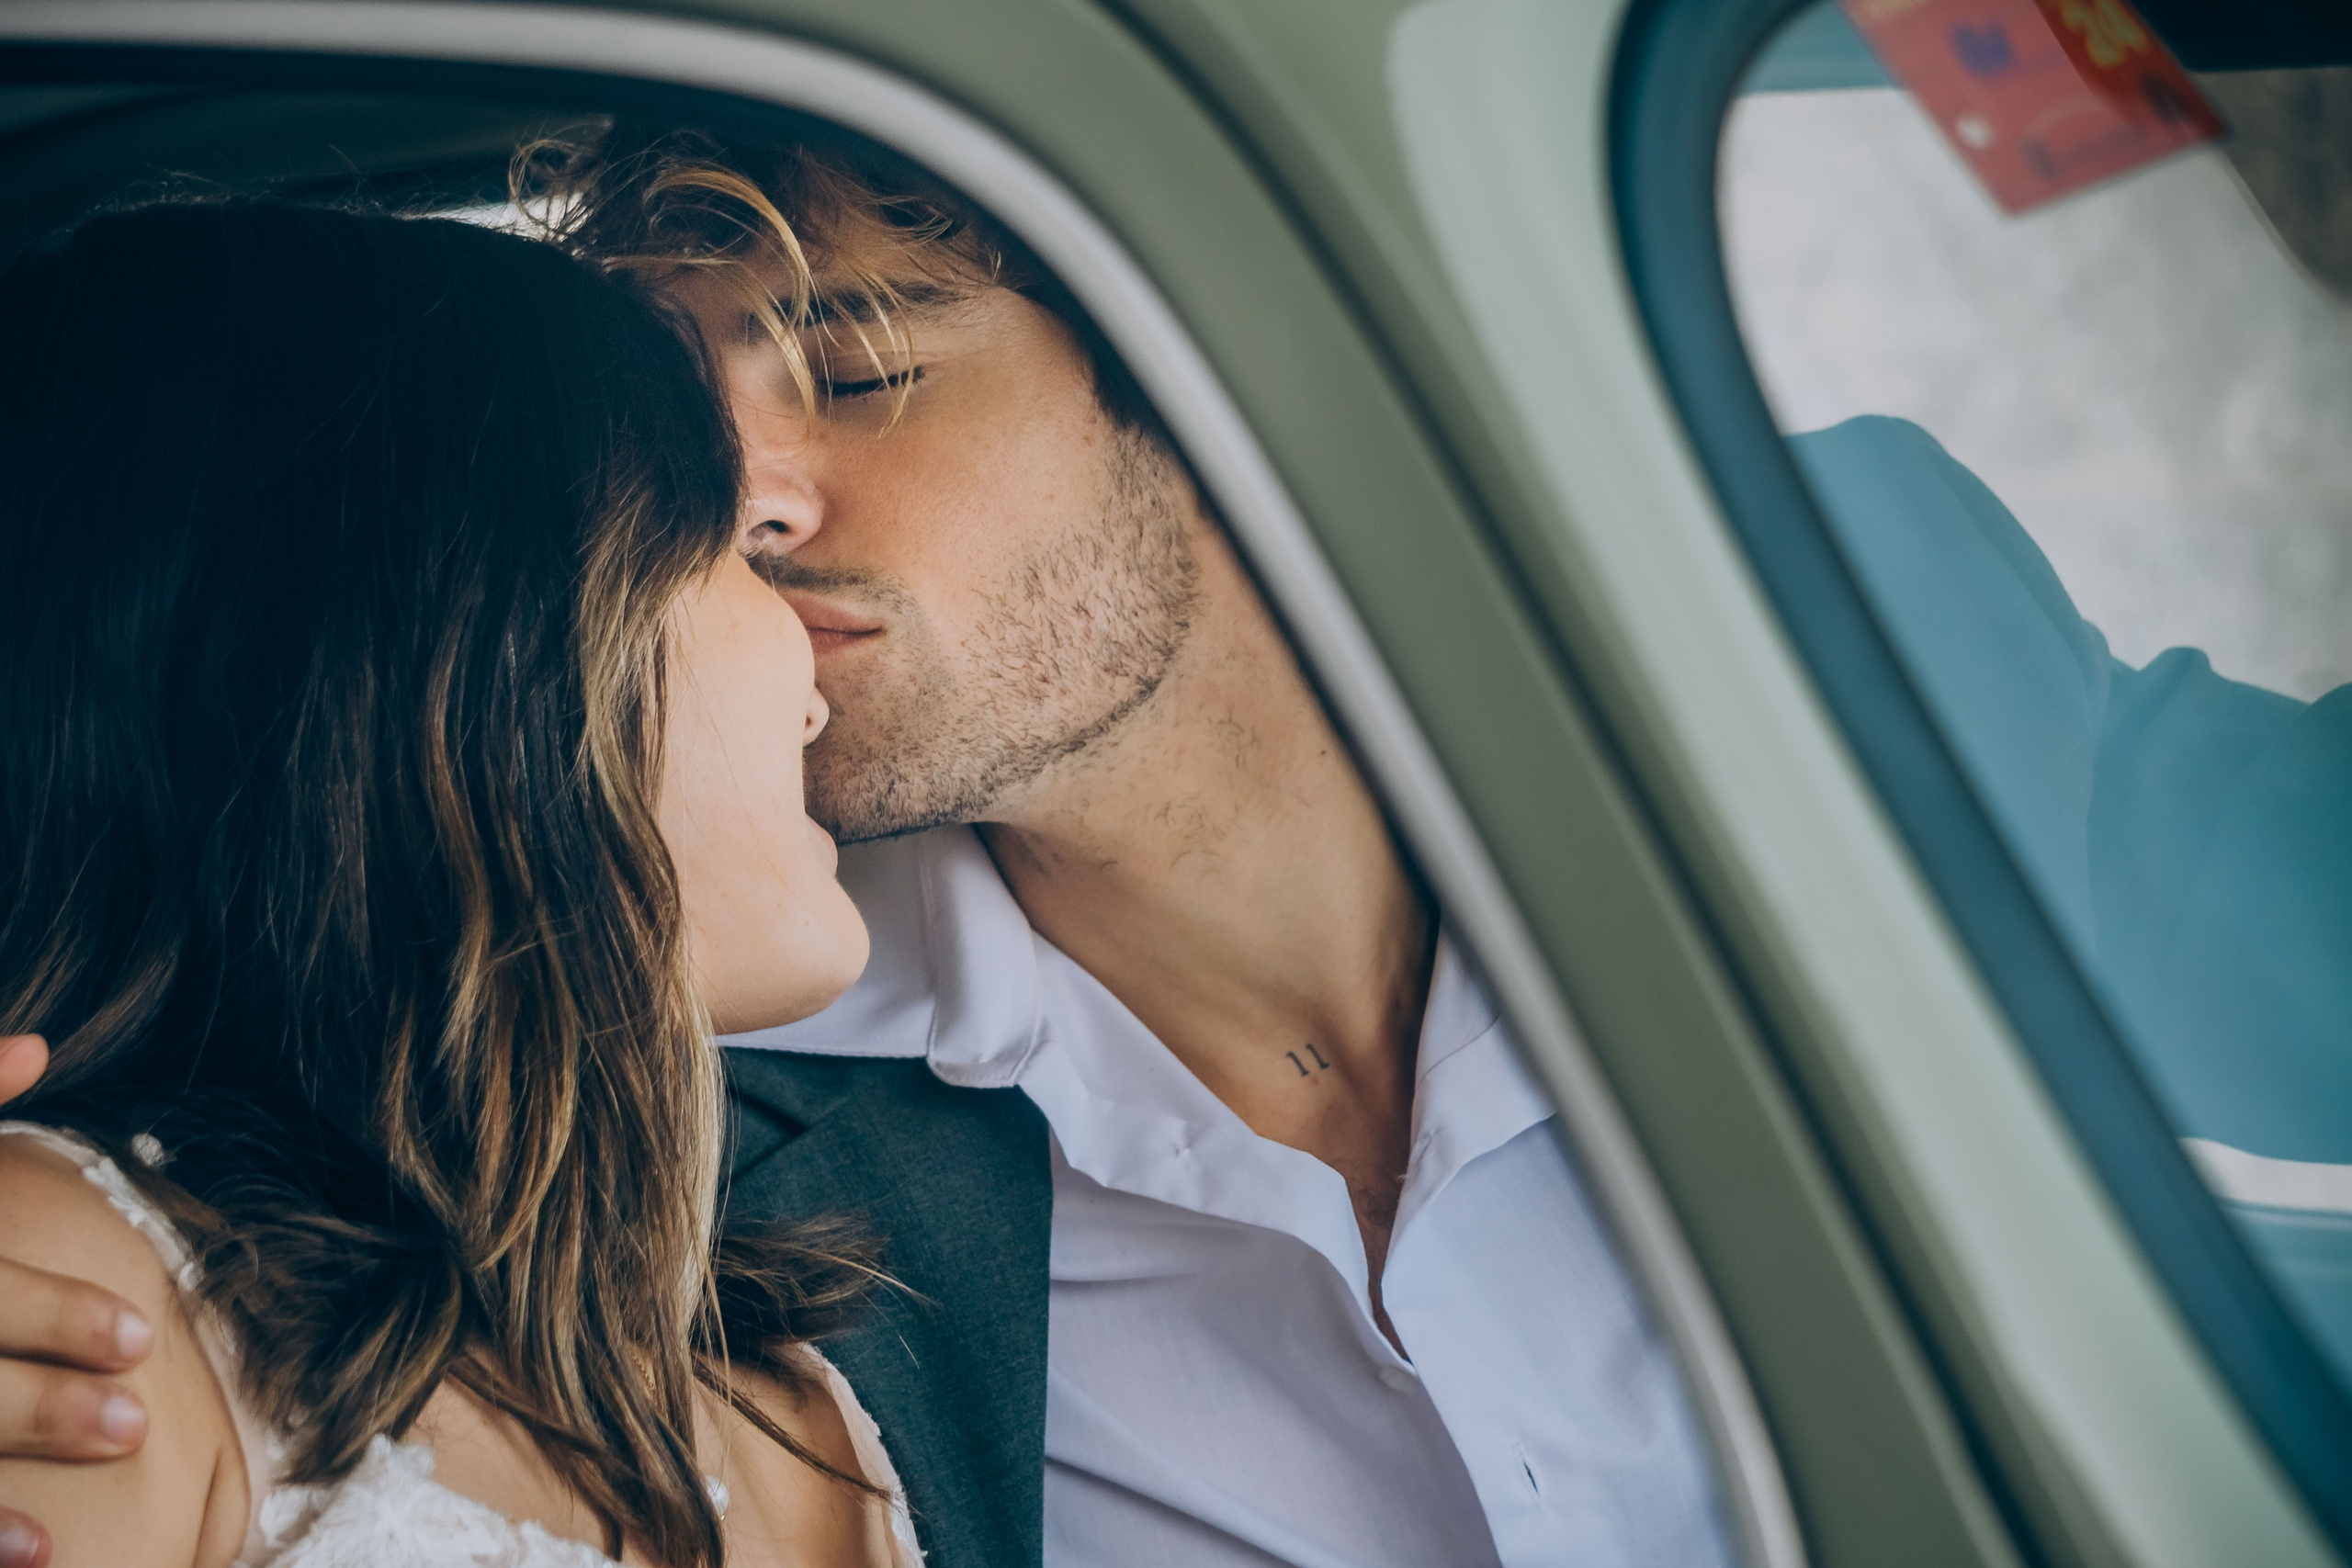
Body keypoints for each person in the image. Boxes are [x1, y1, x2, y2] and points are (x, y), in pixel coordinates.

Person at [0, 131, 1737, 1568]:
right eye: (670, 451)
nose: (745, 498)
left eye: (857, 371)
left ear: (1220, 381)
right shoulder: (673, 1095)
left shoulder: (1780, 874)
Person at [0, 197, 911, 1568]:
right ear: (494, 654)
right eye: (721, 546)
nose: (804, 669)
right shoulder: (70, 1304)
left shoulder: (800, 1409)